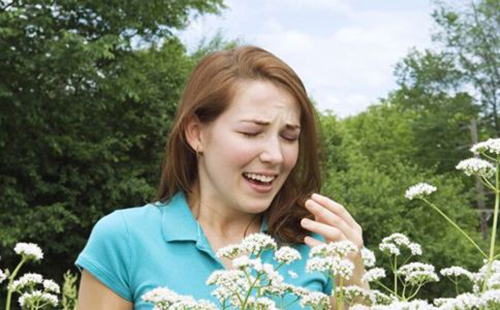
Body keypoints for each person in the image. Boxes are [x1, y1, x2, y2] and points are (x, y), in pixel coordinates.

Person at [75, 46, 368, 310]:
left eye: (289, 136)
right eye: (251, 133)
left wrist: (356, 282)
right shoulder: (125, 238)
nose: (275, 155)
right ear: (196, 133)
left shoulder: (319, 245)